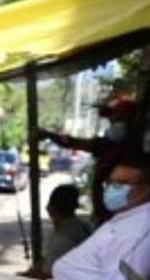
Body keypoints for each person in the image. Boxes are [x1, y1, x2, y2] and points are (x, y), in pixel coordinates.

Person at [38, 94, 140, 225]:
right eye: (112, 121)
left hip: (119, 215)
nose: (113, 125)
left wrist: (47, 134)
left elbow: (71, 142)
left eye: (117, 120)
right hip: (109, 212)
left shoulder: (131, 147)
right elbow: (71, 142)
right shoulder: (107, 144)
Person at [21, 183, 91, 279]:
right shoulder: (81, 226)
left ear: (51, 208)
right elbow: (47, 260)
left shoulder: (63, 238)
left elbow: (48, 276)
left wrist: (24, 278)